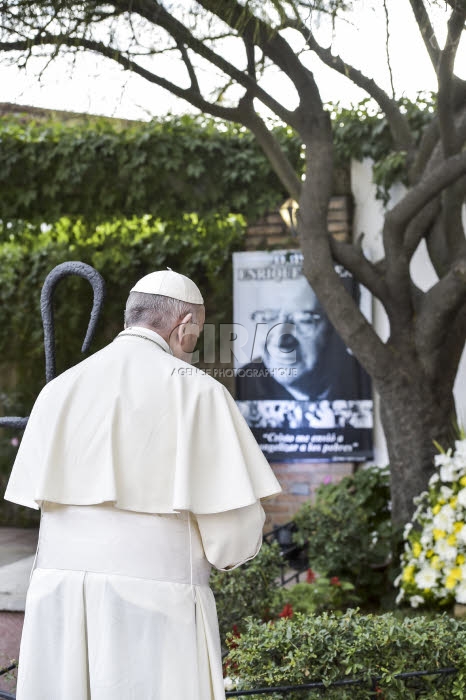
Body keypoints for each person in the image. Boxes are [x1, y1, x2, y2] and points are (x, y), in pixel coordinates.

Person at [4, 269, 281, 700]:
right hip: (157, 610)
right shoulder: (199, 393)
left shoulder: (58, 390)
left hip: (58, 601)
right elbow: (231, 541)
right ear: (184, 326)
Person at [235, 275, 371, 402]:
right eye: (266, 317)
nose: (279, 341)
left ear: (341, 325)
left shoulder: (369, 382)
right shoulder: (248, 381)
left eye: (304, 320)